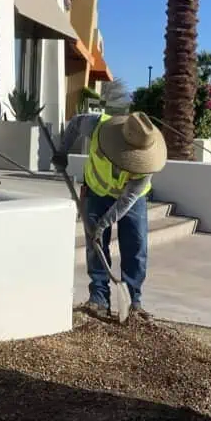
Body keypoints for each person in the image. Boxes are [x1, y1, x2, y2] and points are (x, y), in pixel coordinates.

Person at [52, 111, 167, 319]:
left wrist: (104, 224)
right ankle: (99, 298)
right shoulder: (96, 125)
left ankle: (134, 303)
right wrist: (62, 151)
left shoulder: (147, 164)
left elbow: (126, 200)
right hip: (95, 192)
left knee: (136, 246)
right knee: (95, 246)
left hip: (131, 201)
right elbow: (75, 124)